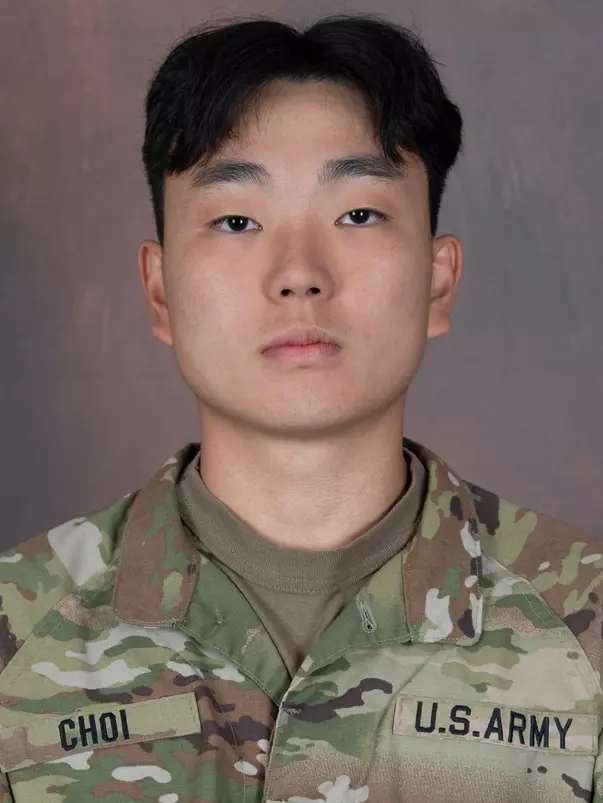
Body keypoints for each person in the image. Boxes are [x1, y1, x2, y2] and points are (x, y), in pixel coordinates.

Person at [0, 13, 600, 803]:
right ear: (159, 290)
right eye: (236, 220)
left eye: (357, 213)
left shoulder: (582, 623)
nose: (298, 274)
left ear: (437, 279)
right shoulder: (19, 626)